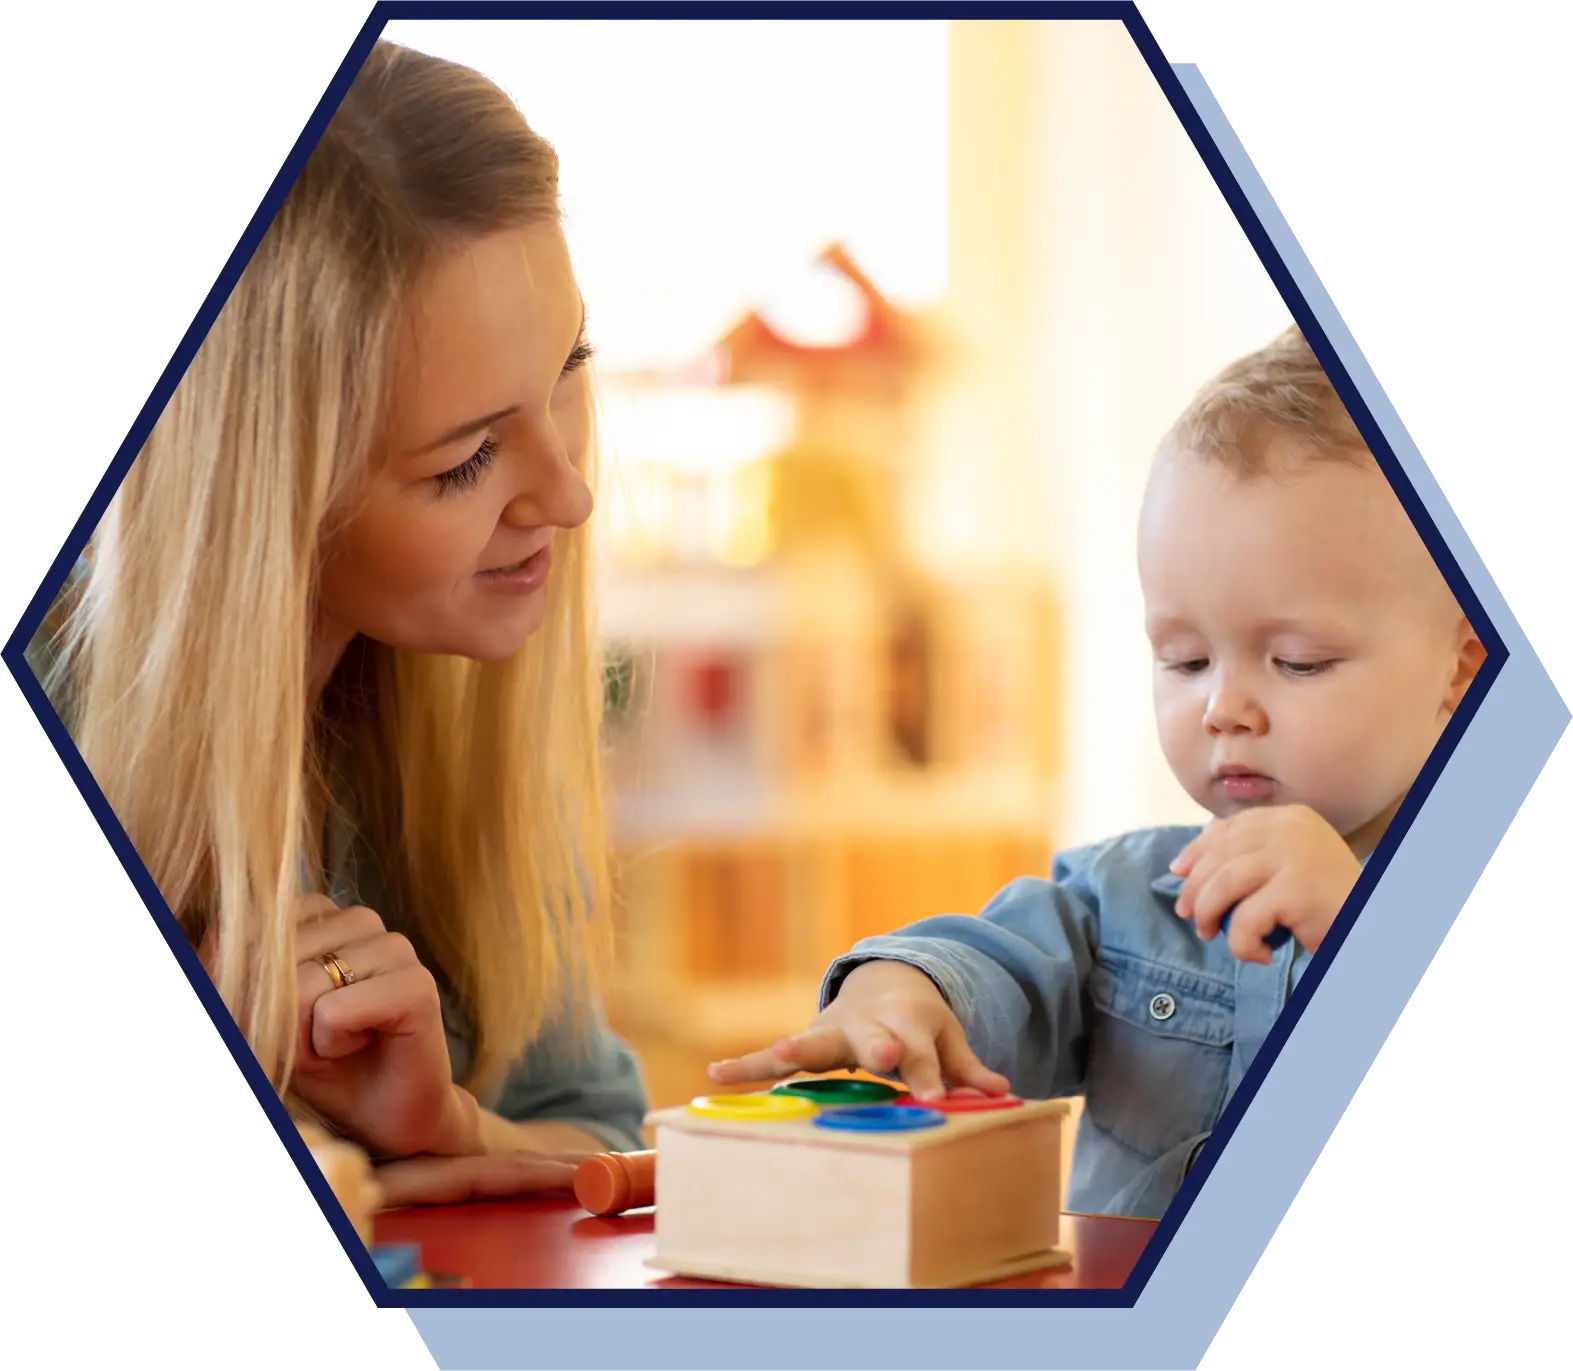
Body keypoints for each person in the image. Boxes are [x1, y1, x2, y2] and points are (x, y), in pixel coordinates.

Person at [28, 40, 648, 1207]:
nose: (571, 495)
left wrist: (444, 1125)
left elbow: (602, 1127)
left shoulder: (473, 718)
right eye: (465, 458)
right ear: (261, 496)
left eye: (569, 365)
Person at [709, 326, 1486, 1219]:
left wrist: (1362, 932)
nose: (1221, 707)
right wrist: (905, 990)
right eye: (1186, 660)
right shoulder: (1127, 898)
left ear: (1459, 669)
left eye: (1297, 661)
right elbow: (1001, 961)